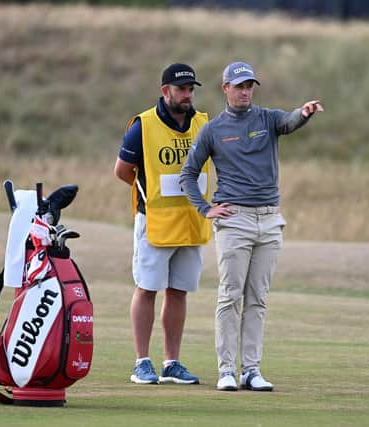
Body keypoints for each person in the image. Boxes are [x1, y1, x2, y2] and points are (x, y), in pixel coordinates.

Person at [179, 61, 323, 392]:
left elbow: (288, 123)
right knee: (230, 296)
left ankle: (251, 370)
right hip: (234, 220)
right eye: (239, 86)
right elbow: (188, 173)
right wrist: (205, 209)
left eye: (250, 86)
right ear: (225, 88)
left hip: (270, 219)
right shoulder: (213, 130)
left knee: (257, 298)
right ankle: (227, 369)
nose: (245, 91)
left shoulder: (267, 118)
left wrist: (304, 112)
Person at [114, 63, 211, 385]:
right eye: (181, 89)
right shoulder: (143, 125)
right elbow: (123, 170)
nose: (187, 95)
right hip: (155, 221)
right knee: (147, 288)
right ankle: (142, 362)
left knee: (179, 291)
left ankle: (172, 362)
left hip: (190, 220)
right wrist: (150, 194)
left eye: (190, 89)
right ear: (165, 91)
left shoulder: (202, 123)